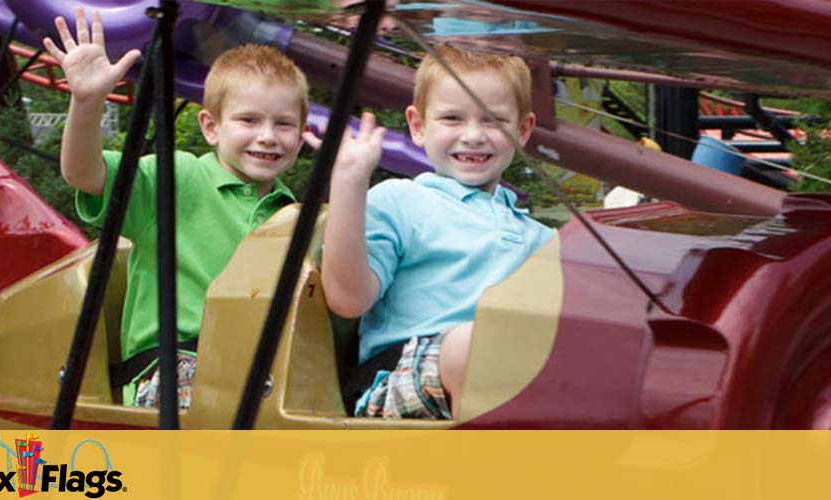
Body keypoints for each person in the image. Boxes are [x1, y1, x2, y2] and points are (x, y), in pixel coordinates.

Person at [43, 7, 311, 408]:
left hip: (260, 377)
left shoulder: (291, 215)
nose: (268, 137)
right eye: (249, 120)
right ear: (211, 127)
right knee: (216, 401)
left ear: (302, 134)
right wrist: (87, 101)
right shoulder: (178, 178)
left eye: (284, 124)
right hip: (179, 367)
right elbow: (85, 174)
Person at [322, 46, 555, 419]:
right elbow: (347, 300)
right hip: (398, 375)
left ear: (522, 130)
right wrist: (349, 183)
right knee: (473, 345)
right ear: (417, 126)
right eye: (452, 118)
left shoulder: (543, 239)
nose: (474, 135)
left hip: (509, 381)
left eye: (493, 120)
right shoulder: (400, 200)